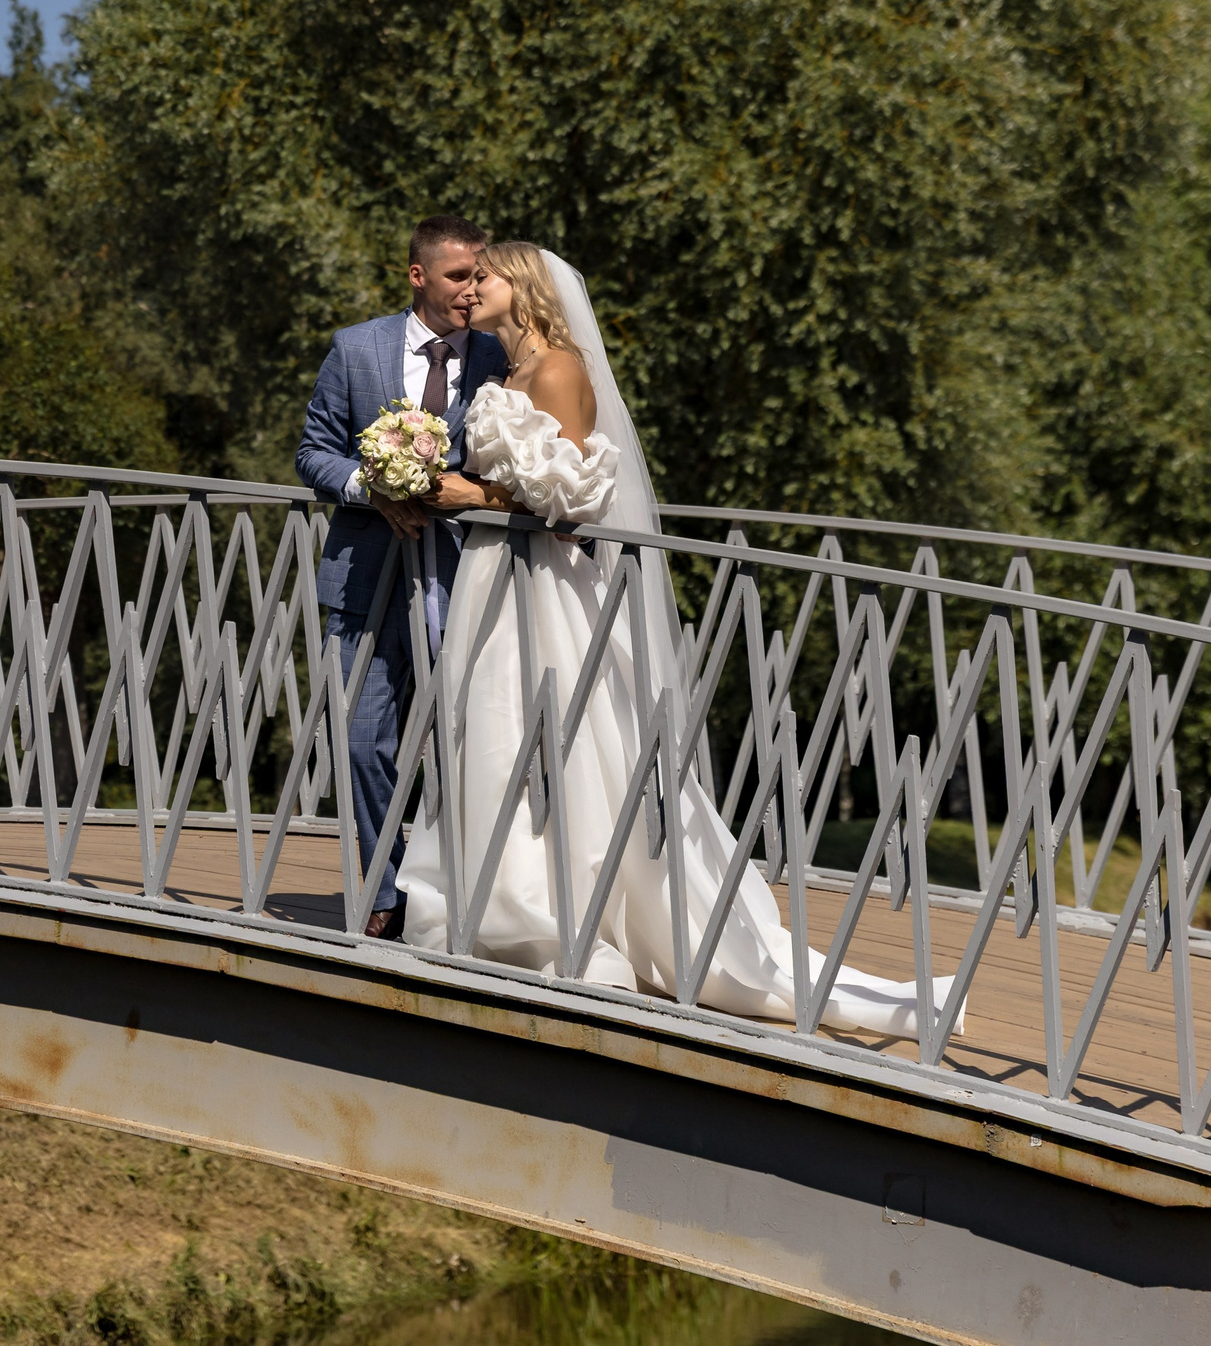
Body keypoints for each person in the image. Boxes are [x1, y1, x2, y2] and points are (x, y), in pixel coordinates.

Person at [395, 242, 959, 1041]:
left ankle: (563, 915)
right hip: (495, 572)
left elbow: (576, 496)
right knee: (488, 733)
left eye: (486, 274)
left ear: (521, 287)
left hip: (545, 578)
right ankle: (493, 901)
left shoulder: (559, 369)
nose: (472, 286)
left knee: (562, 737)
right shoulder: (502, 377)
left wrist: (470, 492)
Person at [294, 215, 509, 937]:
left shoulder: (504, 356)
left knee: (468, 745)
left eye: (480, 275)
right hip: (365, 577)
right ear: (418, 275)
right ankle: (385, 889)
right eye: (458, 276)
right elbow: (313, 452)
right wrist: (369, 485)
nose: (471, 291)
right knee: (362, 738)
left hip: (472, 578)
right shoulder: (356, 350)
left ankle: (462, 898)